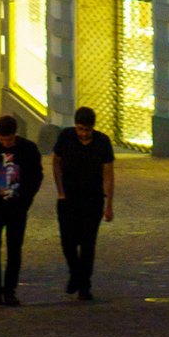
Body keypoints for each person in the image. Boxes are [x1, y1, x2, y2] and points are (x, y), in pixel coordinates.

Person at [0, 109, 45, 303]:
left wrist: (27, 199)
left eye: (9, 141)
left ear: (15, 135)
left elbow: (36, 176)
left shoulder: (28, 149)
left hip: (17, 206)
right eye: (2, 140)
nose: (5, 144)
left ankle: (10, 291)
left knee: (14, 248)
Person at [52, 103, 116, 299]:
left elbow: (108, 174)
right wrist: (60, 191)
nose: (84, 134)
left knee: (88, 243)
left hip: (92, 199)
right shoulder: (66, 137)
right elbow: (56, 162)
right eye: (80, 129)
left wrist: (109, 205)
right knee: (68, 241)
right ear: (75, 126)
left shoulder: (102, 142)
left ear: (92, 128)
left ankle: (85, 286)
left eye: (87, 130)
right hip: (68, 198)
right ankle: (75, 273)